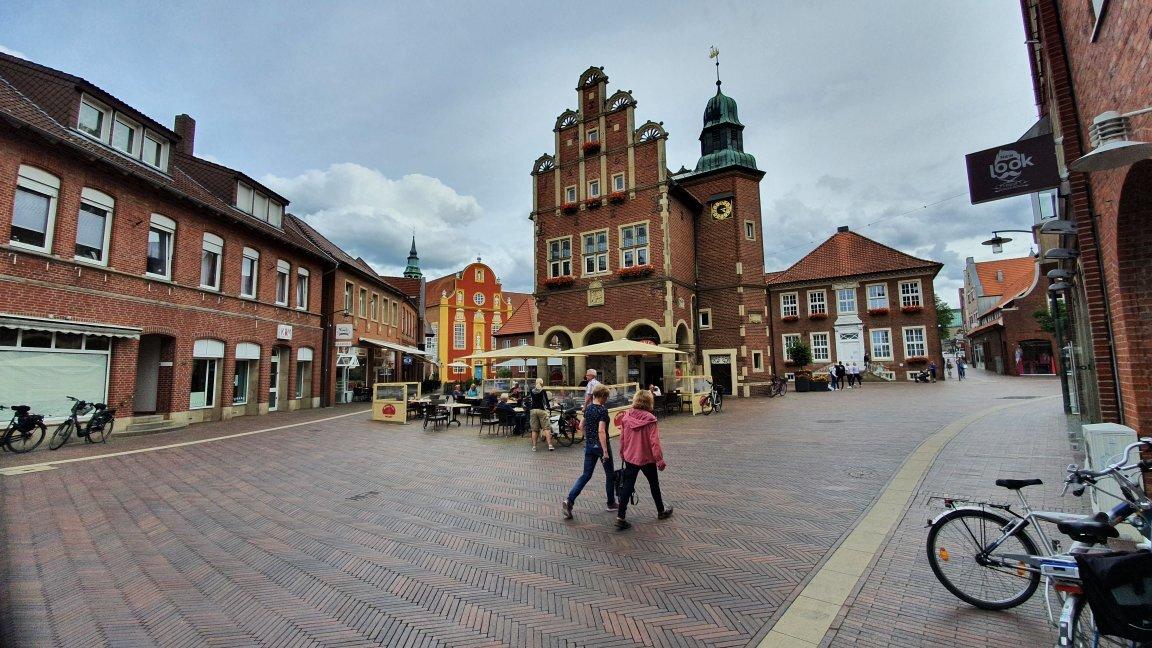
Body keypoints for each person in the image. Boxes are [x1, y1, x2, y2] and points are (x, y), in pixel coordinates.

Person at [614, 390, 673, 531]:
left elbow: (623, 438)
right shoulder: (650, 419)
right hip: (647, 458)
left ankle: (620, 517)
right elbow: (655, 442)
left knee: (627, 485)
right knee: (654, 484)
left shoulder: (627, 416)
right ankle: (661, 510)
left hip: (631, 456)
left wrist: (622, 452)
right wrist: (659, 460)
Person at [561, 384, 616, 519]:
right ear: (602, 396)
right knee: (610, 475)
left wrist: (588, 438)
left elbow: (581, 426)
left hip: (590, 446)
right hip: (602, 445)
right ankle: (611, 503)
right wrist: (605, 451)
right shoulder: (602, 410)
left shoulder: (589, 409)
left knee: (585, 475)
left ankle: (570, 500)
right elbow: (601, 431)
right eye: (606, 397)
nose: (607, 399)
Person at [528, 378, 554, 452]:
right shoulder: (543, 391)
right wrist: (549, 408)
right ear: (542, 383)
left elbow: (530, 400)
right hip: (542, 410)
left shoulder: (532, 391)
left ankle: (534, 447)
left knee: (534, 430)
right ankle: (550, 445)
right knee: (546, 428)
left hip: (533, 411)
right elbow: (546, 402)